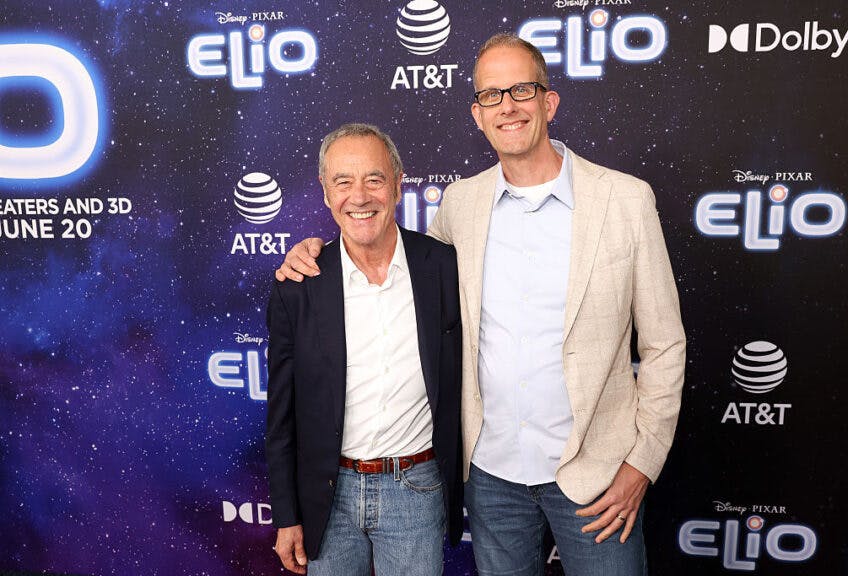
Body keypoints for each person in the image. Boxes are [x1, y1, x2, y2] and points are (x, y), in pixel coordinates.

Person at [276, 34, 685, 575]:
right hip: (491, 479)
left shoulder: (625, 200)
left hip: (599, 477)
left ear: (549, 101)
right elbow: (389, 251)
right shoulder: (461, 204)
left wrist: (642, 463)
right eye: (492, 95)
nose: (508, 106)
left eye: (521, 90)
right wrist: (315, 253)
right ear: (476, 113)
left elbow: (663, 343)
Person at [266, 123, 463, 576]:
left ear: (397, 183)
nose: (359, 197)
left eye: (374, 179)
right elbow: (281, 415)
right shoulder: (297, 286)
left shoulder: (444, 268)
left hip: (415, 490)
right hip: (326, 497)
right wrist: (286, 514)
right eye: (343, 182)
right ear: (324, 191)